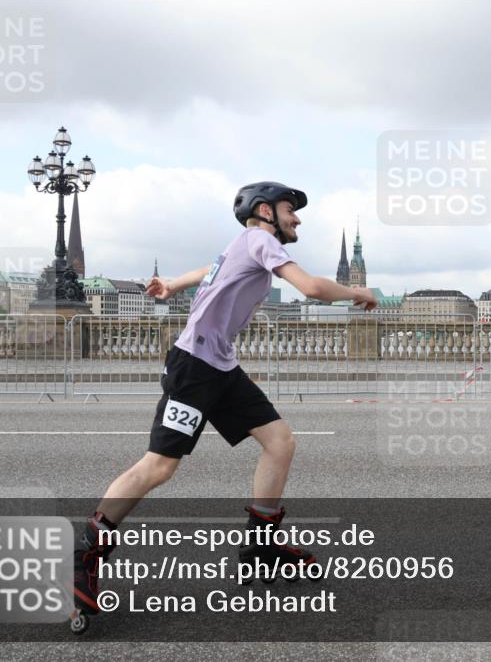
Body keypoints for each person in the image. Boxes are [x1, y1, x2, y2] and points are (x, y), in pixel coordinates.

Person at [73, 182, 377, 615]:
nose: (298, 219)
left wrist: (174, 284)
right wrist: (358, 293)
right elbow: (309, 287)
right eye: (291, 210)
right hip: (195, 368)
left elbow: (211, 269)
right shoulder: (260, 239)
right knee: (159, 466)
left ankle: (261, 548)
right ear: (266, 212)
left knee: (280, 442)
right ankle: (85, 556)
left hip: (221, 366)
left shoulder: (244, 244)